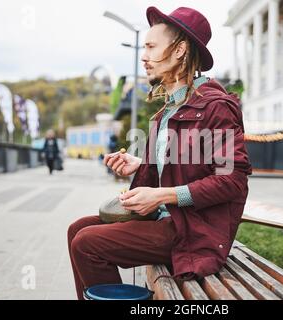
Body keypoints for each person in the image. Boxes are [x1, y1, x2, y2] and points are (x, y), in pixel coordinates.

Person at [67, 6, 252, 300]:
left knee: (86, 243)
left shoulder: (216, 106)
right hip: (170, 220)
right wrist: (140, 164)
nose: (144, 56)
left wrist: (162, 196)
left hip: (194, 231)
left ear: (179, 51)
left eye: (152, 46)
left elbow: (232, 180)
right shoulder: (168, 111)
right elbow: (184, 164)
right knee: (76, 229)